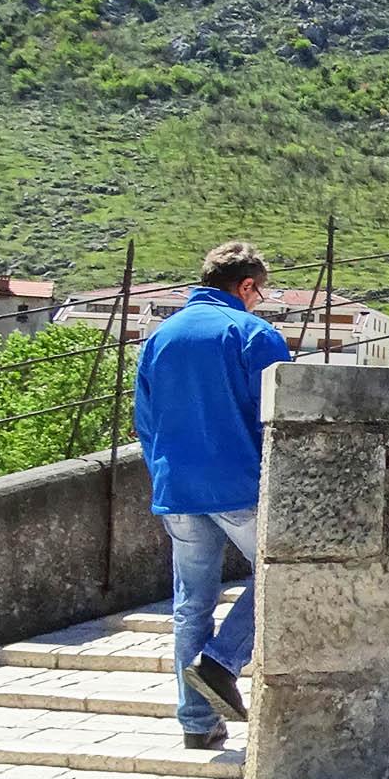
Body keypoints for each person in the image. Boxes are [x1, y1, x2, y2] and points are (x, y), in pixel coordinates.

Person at [132, 240, 290, 749]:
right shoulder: (252, 334)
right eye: (259, 291)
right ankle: (222, 661)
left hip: (177, 489)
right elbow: (280, 420)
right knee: (279, 578)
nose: (259, 300)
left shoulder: (159, 338)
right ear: (245, 285)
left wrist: (165, 474)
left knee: (191, 605)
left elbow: (146, 422)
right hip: (240, 484)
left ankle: (197, 725)